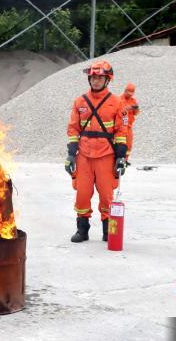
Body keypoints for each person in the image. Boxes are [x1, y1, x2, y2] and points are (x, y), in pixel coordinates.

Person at [65, 60, 128, 243]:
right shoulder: (80, 102)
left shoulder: (117, 103)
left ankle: (108, 231)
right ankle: (82, 230)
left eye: (100, 77)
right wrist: (71, 155)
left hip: (106, 156)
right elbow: (73, 129)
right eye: (93, 77)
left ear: (107, 80)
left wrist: (121, 157)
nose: (95, 80)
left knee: (107, 196)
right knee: (82, 194)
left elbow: (121, 132)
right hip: (84, 155)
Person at [121, 82, 140, 162]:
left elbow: (136, 113)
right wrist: (126, 108)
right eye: (129, 93)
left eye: (131, 94)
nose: (130, 95)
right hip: (121, 127)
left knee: (129, 144)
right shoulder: (119, 100)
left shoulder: (133, 100)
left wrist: (136, 109)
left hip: (129, 127)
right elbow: (117, 112)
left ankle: (126, 160)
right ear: (125, 91)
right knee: (120, 144)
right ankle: (119, 160)